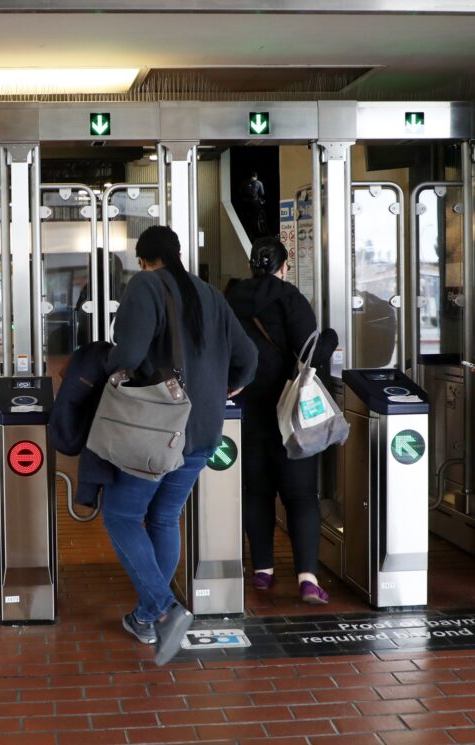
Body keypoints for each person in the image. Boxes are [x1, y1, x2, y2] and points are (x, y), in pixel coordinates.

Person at [102, 226, 257, 665]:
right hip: (203, 429)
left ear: (143, 260)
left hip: (157, 430)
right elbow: (248, 358)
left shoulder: (145, 286)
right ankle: (145, 617)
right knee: (165, 516)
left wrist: (107, 368)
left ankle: (165, 609)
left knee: (121, 515)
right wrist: (226, 389)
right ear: (178, 254)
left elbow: (127, 355)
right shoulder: (210, 293)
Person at [225, 237, 337, 605]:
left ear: (252, 264)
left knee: (256, 492)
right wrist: (331, 337)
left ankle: (263, 571)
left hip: (246, 410)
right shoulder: (290, 298)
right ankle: (307, 578)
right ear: (284, 267)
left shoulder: (231, 298)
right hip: (290, 413)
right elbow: (310, 355)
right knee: (301, 496)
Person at [238, 171, 266, 239]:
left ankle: (245, 231)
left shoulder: (244, 182)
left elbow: (240, 192)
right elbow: (262, 193)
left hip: (244, 203)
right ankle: (255, 232)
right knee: (255, 217)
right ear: (256, 176)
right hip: (254, 203)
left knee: (245, 217)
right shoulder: (259, 183)